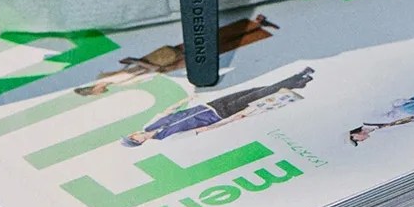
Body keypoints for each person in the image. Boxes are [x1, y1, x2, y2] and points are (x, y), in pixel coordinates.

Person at [72, 14, 277, 95]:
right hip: (171, 62)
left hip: (169, 57)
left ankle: (255, 25)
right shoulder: (117, 82)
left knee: (212, 42)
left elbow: (146, 68)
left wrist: (134, 61)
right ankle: (257, 28)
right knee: (218, 46)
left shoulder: (114, 78)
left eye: (94, 92)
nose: (98, 93)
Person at [123, 68, 315, 145]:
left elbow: (168, 111)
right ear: (140, 142)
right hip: (219, 115)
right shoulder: (167, 138)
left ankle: (298, 82)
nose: (138, 136)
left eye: (134, 136)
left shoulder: (150, 124)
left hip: (210, 105)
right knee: (258, 95)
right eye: (136, 140)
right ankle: (300, 77)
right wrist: (233, 119)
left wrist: (187, 99)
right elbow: (203, 129)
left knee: (254, 90)